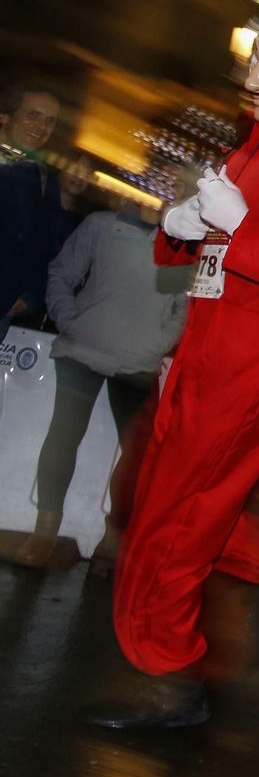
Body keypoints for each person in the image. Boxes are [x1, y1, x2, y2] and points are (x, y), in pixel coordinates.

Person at [84, 14, 259, 730]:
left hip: (252, 370)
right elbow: (218, 257)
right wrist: (179, 233)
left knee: (181, 520)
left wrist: (241, 226)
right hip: (202, 356)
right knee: (155, 503)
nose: (256, 75)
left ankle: (170, 676)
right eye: (254, 58)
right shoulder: (247, 158)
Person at [12, 198, 190, 569]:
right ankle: (45, 532)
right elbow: (61, 273)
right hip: (83, 350)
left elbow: (180, 309)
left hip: (137, 363)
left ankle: (114, 537)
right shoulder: (101, 225)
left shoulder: (176, 245)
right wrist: (70, 320)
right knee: (64, 436)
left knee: (136, 456)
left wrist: (157, 345)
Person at [0, 79, 85, 340]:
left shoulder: (41, 179)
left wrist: (30, 295)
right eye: (33, 115)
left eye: (50, 121)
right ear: (4, 116)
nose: (42, 127)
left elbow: (44, 247)